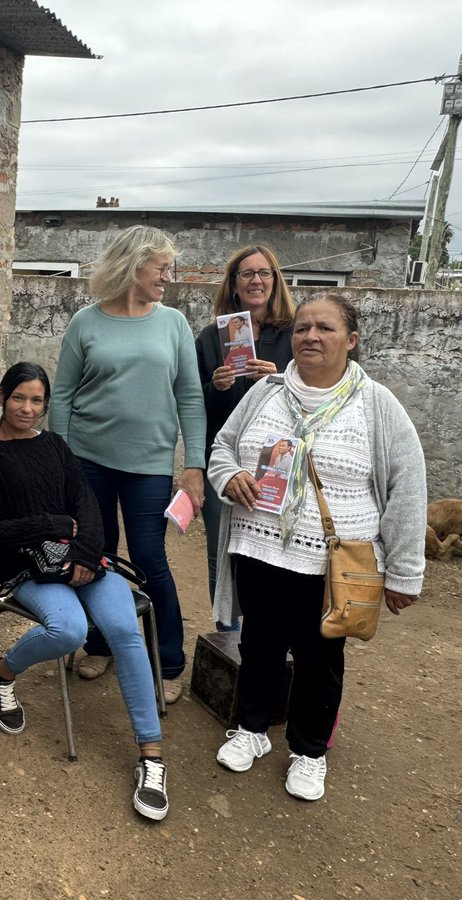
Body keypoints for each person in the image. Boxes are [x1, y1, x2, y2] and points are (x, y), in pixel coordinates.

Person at [207, 293, 426, 802]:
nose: (310, 336)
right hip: (259, 547)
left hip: (331, 560)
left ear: (351, 340)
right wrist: (231, 474)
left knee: (320, 655)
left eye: (325, 328)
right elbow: (222, 445)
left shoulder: (376, 405)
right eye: (303, 327)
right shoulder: (266, 391)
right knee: (257, 641)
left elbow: (408, 486)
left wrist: (403, 572)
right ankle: (252, 729)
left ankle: (309, 752)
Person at [0, 363, 170, 821]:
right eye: (19, 398)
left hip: (82, 561)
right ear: (1, 397)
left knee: (122, 627)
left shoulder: (56, 446)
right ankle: (1, 673)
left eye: (37, 401)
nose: (27, 409)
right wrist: (46, 525)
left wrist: (87, 555)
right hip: (27, 569)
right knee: (70, 630)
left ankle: (151, 756)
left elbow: (85, 506)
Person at [49, 225, 205, 704]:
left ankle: (169, 660)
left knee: (149, 558)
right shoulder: (86, 322)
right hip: (88, 462)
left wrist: (194, 464)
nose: (168, 277)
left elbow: (191, 396)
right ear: (133, 265)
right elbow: (63, 395)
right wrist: (63, 461)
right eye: (161, 268)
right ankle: (99, 644)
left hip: (149, 466)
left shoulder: (173, 323)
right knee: (97, 555)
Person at [195, 245, 295, 630]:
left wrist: (280, 378)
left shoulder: (295, 333)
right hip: (224, 466)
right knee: (221, 559)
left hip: (279, 465)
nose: (256, 280)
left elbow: (318, 396)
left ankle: (268, 643)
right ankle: (227, 639)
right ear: (234, 285)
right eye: (247, 274)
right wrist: (215, 387)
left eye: (264, 273)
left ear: (275, 281)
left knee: (273, 555)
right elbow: (191, 403)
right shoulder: (212, 337)